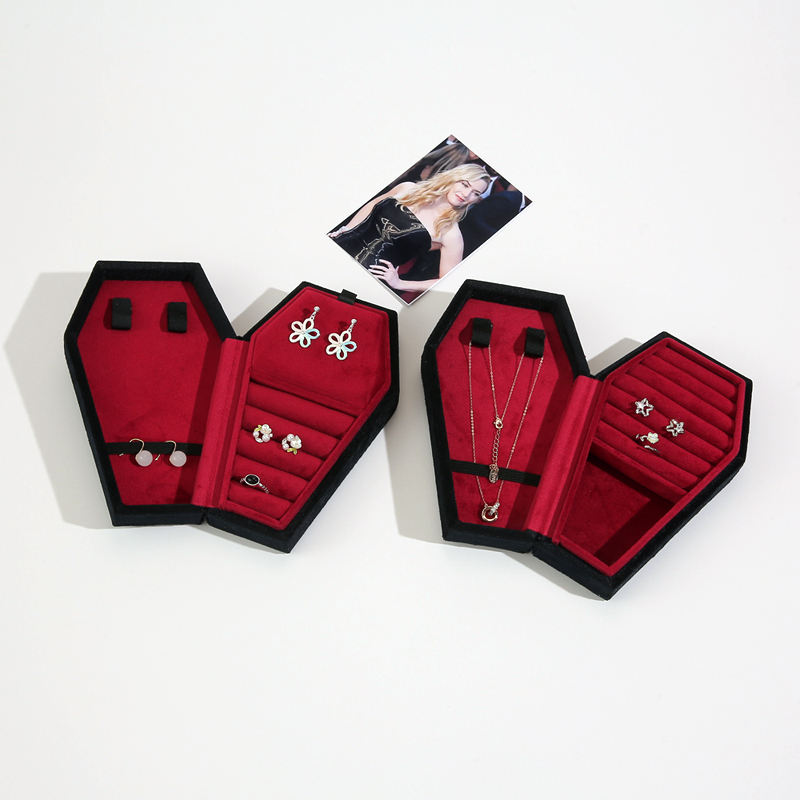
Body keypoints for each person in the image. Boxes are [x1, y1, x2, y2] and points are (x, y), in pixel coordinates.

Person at [328, 163, 491, 299]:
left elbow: (448, 282)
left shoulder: (451, 234)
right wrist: (346, 229)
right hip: (338, 246)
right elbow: (372, 205)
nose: (467, 194)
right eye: (465, 184)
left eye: (475, 193)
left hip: (368, 277)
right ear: (452, 178)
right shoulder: (408, 188)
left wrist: (400, 283)